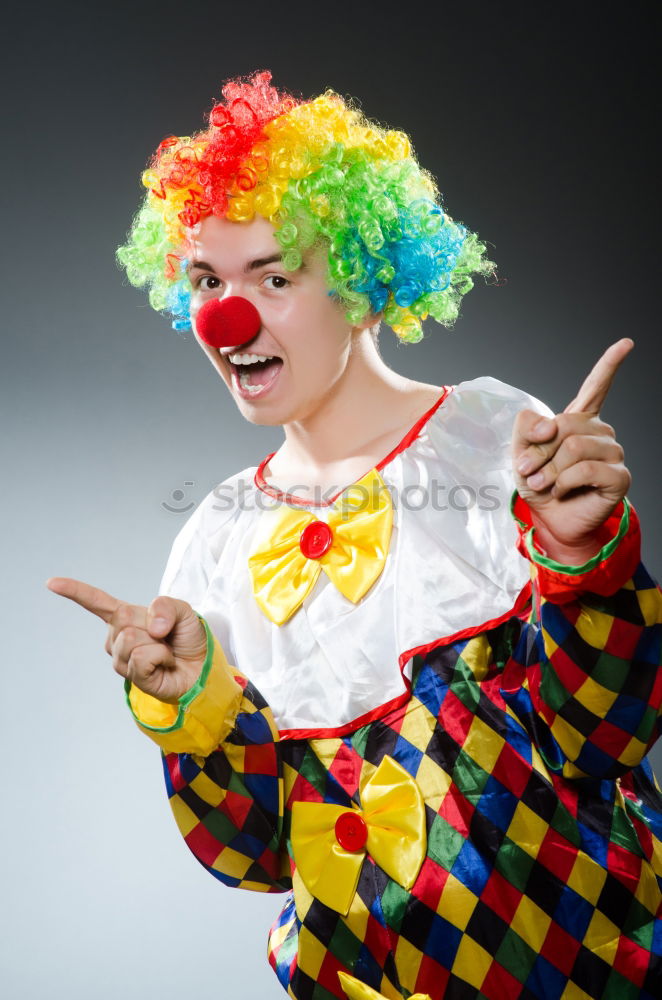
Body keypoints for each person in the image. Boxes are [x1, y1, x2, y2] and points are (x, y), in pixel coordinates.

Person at [46, 72, 661, 999]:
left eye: (275, 278)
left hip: (575, 961)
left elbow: (606, 737)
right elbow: (253, 852)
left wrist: (581, 555)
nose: (226, 316)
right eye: (208, 280)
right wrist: (196, 713)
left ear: (367, 289)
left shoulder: (493, 437)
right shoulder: (215, 540)